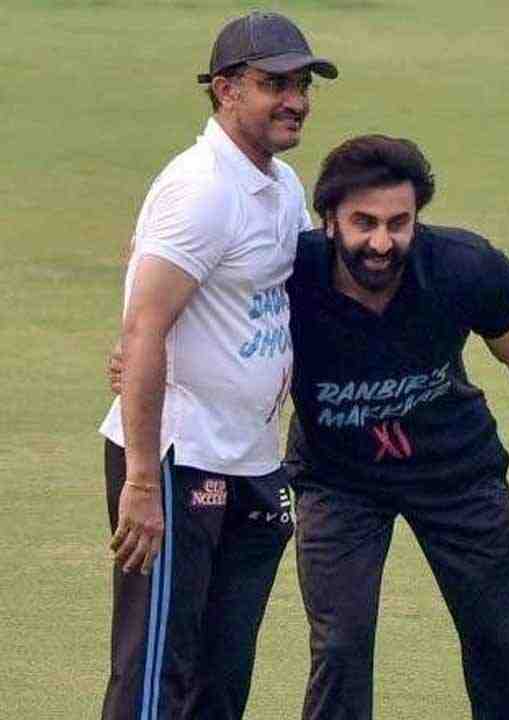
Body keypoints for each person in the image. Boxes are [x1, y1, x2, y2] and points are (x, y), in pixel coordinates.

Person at [280, 134, 509, 719]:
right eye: (362, 222)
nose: (380, 241)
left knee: (500, 643)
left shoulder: (465, 267)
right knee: (339, 648)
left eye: (399, 223)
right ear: (328, 221)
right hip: (337, 479)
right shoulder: (289, 277)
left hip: (456, 474)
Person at [97, 10, 336, 720]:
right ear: (226, 90)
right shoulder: (202, 188)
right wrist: (142, 483)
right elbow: (145, 327)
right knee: (155, 672)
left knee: (222, 675)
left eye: (302, 83)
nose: (295, 99)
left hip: (253, 462)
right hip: (178, 459)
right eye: (274, 84)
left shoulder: (283, 186)